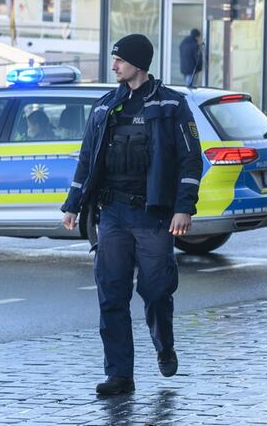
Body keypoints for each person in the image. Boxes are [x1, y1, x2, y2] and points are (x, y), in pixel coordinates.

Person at [61, 34, 203, 396]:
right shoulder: (106, 105)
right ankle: (120, 375)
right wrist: (73, 204)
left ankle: (164, 343)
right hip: (112, 214)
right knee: (111, 295)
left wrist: (184, 207)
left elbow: (191, 159)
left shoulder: (172, 104)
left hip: (152, 215)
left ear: (138, 63)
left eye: (119, 60)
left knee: (156, 291)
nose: (114, 66)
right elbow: (87, 159)